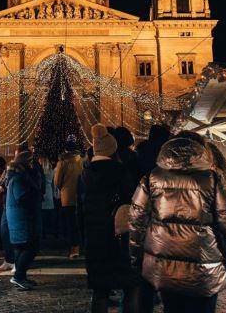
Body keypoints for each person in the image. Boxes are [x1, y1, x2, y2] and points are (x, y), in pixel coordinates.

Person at [129, 133, 226, 313]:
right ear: (201, 150)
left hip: (163, 265)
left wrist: (136, 256)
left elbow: (137, 220)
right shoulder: (212, 178)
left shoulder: (151, 178)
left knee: (172, 308)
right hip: (204, 265)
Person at [83, 125, 141, 312]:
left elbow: (79, 212)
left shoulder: (84, 176)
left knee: (100, 291)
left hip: (94, 240)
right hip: (120, 239)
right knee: (130, 287)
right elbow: (133, 205)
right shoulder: (122, 173)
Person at [6, 151, 42, 290]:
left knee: (21, 247)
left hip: (20, 217)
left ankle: (21, 276)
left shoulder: (19, 176)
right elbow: (23, 198)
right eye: (31, 161)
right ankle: (18, 276)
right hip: (22, 217)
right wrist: (34, 194)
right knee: (29, 247)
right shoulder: (19, 178)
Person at [54, 136, 83, 258]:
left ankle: (74, 248)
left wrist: (63, 188)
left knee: (71, 223)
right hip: (81, 195)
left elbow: (57, 181)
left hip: (67, 196)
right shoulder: (82, 160)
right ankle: (80, 246)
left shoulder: (62, 162)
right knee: (80, 221)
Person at [0, 157, 16, 271]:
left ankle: (14, 261)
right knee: (4, 232)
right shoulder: (5, 175)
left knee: (13, 233)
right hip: (5, 206)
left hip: (12, 207)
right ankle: (8, 260)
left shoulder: (17, 176)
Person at [39, 157, 57, 238]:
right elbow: (54, 183)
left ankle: (43, 233)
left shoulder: (41, 172)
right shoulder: (51, 171)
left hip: (42, 192)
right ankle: (54, 231)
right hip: (49, 191)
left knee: (42, 215)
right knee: (50, 213)